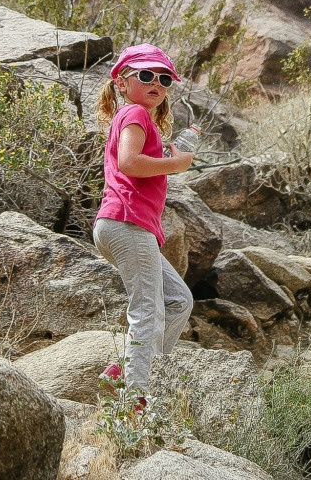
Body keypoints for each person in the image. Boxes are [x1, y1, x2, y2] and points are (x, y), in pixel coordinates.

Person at [92, 43, 196, 403]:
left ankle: (125, 370)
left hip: (122, 227)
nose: (157, 83)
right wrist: (177, 164)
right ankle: (136, 403)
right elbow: (130, 163)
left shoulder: (140, 119)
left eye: (164, 78)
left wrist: (169, 158)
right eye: (146, 75)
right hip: (127, 224)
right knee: (147, 311)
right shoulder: (134, 113)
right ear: (122, 82)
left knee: (179, 301)